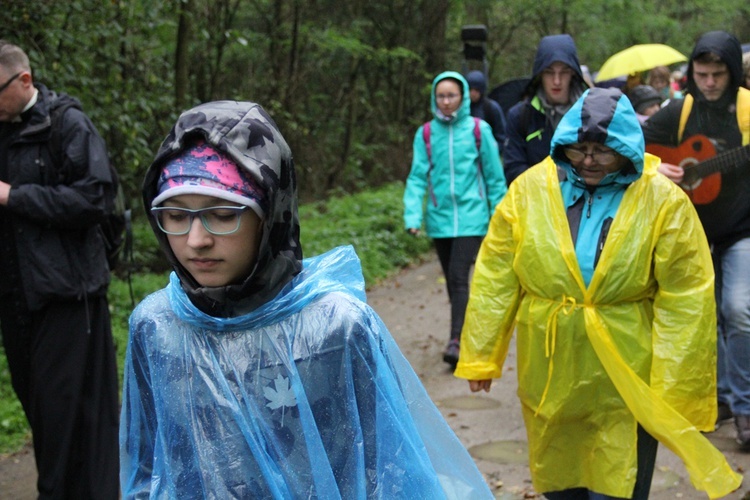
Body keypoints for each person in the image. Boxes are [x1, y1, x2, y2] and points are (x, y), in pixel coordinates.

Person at [120, 100, 495, 499]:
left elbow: (388, 470)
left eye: (224, 213)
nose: (197, 240)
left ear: (270, 212)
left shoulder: (335, 327)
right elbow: (147, 470)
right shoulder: (157, 327)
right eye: (176, 216)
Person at [455, 87, 742, 498]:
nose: (588, 160)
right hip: (552, 366)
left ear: (626, 148)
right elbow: (496, 275)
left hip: (627, 368)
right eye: (578, 148)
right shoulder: (530, 191)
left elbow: (686, 295)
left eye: (602, 151)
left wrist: (677, 385)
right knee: (560, 479)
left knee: (619, 482)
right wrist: (481, 355)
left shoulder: (661, 201)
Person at [0, 41, 119, 497]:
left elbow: (94, 198)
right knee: (43, 411)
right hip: (17, 298)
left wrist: (14, 196)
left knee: (67, 412)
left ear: (24, 81)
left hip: (69, 297)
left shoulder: (66, 123)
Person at [642, 30, 750, 445]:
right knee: (705, 316)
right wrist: (655, 167)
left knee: (738, 309)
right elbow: (634, 146)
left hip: (742, 229)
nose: (709, 83)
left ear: (732, 72)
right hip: (693, 231)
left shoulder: (745, 110)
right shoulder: (680, 111)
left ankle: (744, 406)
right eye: (702, 74)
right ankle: (720, 396)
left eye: (718, 74)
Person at [403, 71, 506, 369]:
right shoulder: (425, 134)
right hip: (440, 218)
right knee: (452, 281)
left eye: (452, 96)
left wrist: (501, 217)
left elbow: (494, 178)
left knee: (460, 277)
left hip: (473, 217)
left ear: (463, 98)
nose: (446, 102)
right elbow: (417, 177)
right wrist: (413, 214)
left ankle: (456, 341)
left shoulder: (478, 130)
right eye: (441, 96)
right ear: (435, 99)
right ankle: (468, 332)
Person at [503, 34, 589, 185]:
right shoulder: (520, 116)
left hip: (585, 204)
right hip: (536, 204)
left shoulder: (589, 113)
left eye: (564, 72)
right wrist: (553, 177)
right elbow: (513, 170)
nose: (557, 81)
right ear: (540, 74)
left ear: (573, 73)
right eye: (549, 72)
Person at [465, 69, 508, 155]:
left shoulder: (491, 108)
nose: (473, 93)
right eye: (470, 89)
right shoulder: (462, 109)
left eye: (476, 90)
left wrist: (493, 152)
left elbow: (501, 136)